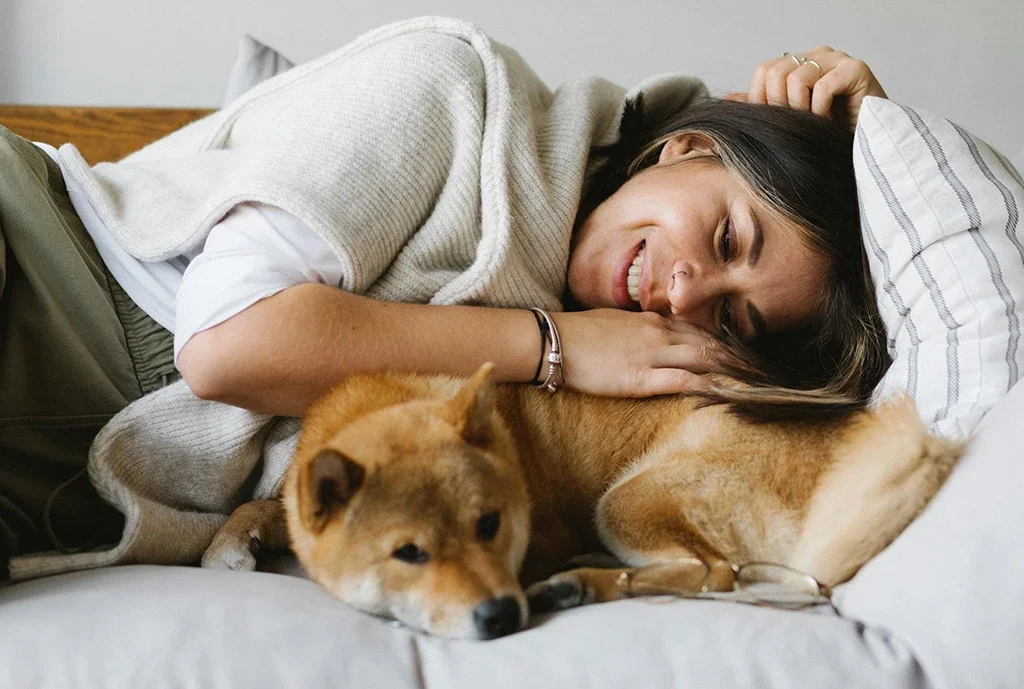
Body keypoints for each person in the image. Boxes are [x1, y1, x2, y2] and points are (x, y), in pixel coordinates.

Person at [0, 24, 889, 573]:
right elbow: (228, 342)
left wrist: (889, 145)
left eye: (732, 318)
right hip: (43, 270)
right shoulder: (447, 90)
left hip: (65, 476)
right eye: (729, 238)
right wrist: (557, 345)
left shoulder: (608, 387)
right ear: (686, 148)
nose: (689, 291)